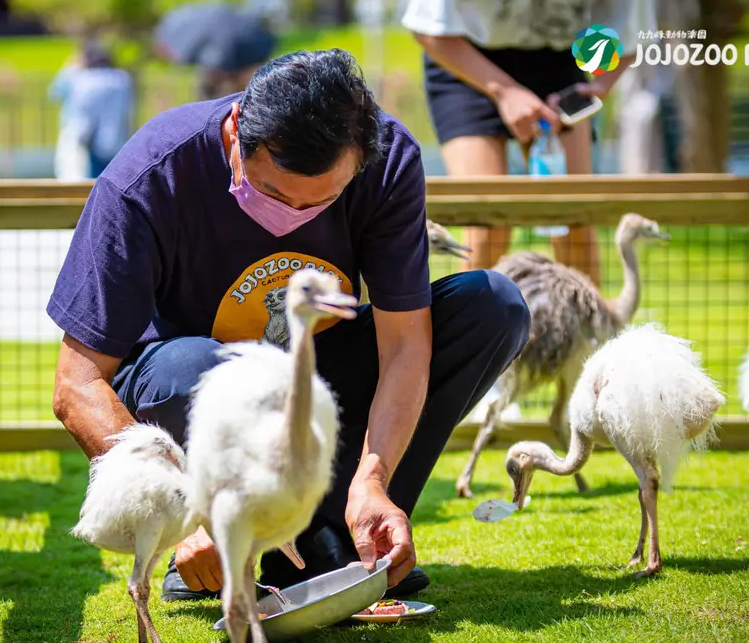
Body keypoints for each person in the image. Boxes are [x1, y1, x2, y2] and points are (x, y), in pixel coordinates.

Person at [48, 49, 531, 602]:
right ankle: (222, 545)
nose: (294, 217)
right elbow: (76, 383)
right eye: (274, 194)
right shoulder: (150, 177)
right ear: (235, 134)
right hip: (189, 386)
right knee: (197, 368)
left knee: (492, 304)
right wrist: (180, 504)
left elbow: (404, 346)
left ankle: (345, 537)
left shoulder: (389, 159)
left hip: (315, 378)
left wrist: (372, 477)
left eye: (323, 202)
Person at [401, 0, 657, 287]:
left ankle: (589, 337)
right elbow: (429, 27)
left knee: (574, 221)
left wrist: (597, 85)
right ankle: (466, 334)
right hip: (466, 57)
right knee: (489, 224)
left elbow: (631, 33)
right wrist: (506, 92)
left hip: (560, 60)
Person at [49, 43, 134, 181]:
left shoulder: (81, 78)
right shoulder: (122, 79)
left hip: (84, 142)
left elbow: (54, 93)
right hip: (115, 141)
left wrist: (70, 67)